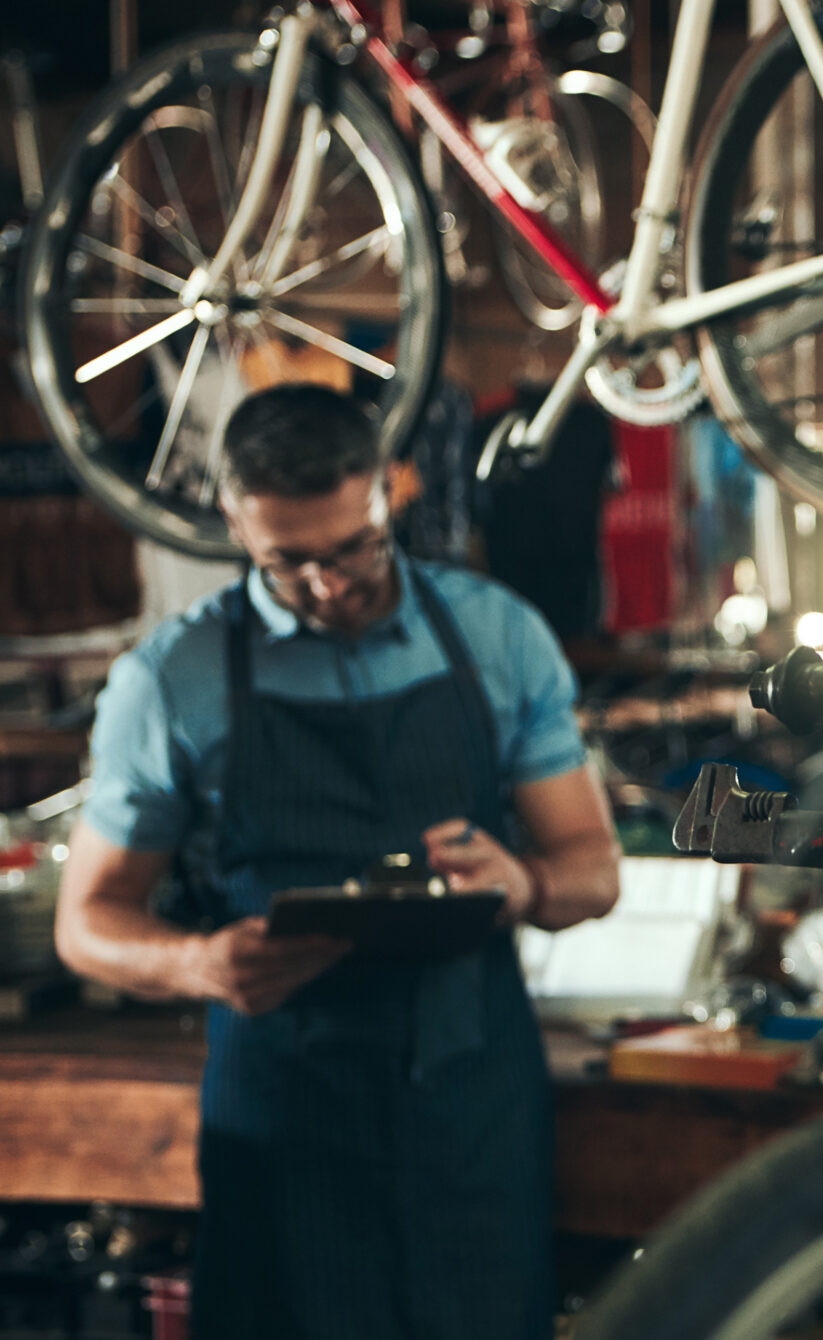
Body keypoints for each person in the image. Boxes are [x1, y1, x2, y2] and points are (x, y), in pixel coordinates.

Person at [54, 385, 623, 1340]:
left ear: (388, 493)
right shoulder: (172, 682)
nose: (327, 585)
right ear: (235, 521)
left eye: (352, 547)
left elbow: (592, 872)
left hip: (471, 1105)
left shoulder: (495, 636)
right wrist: (194, 964)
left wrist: (524, 884)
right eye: (288, 562)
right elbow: (88, 923)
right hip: (285, 1111)